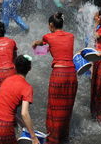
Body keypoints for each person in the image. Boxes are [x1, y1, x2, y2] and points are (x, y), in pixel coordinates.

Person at [32, 12, 77, 143]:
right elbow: (55, 49)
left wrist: (35, 44)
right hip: (72, 73)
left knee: (54, 107)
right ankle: (64, 136)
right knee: (67, 106)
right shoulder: (71, 36)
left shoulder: (48, 37)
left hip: (59, 74)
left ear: (51, 25)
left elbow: (41, 50)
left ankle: (53, 139)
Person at [0, 55, 40, 144]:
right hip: (2, 128)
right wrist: (34, 137)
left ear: (14, 67)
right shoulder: (27, 88)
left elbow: (4, 106)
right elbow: (24, 113)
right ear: (30, 68)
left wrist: (22, 124)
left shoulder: (7, 80)